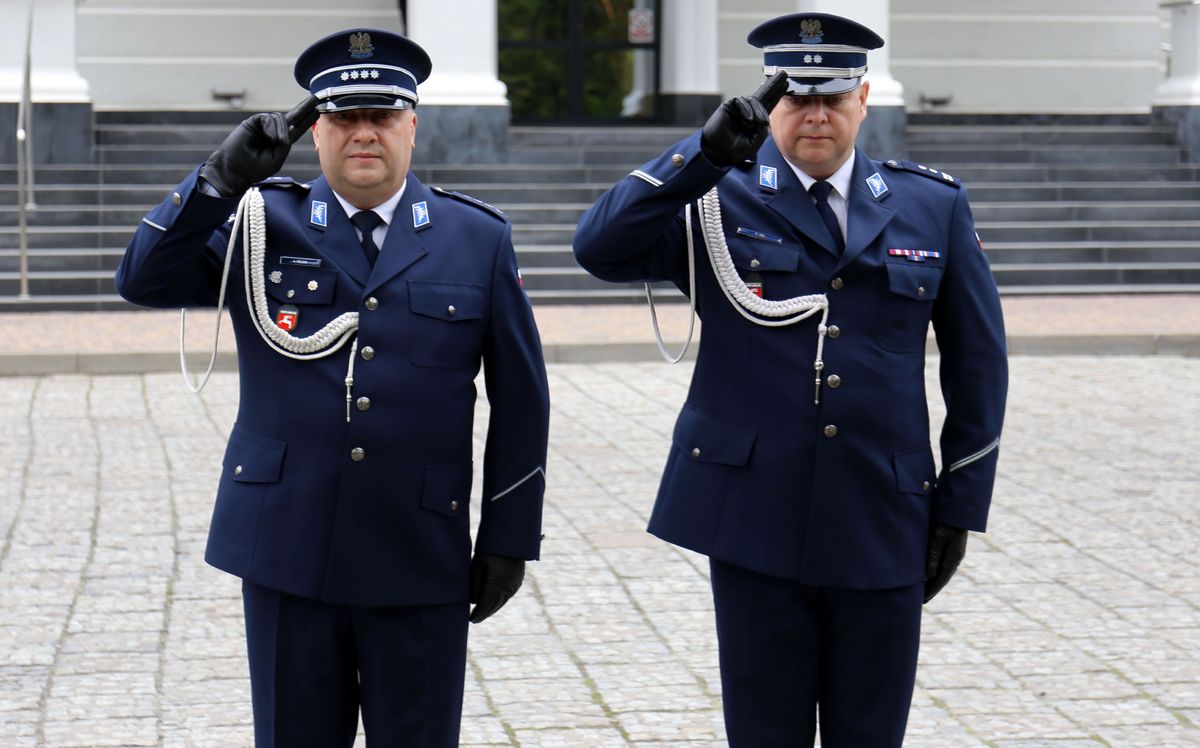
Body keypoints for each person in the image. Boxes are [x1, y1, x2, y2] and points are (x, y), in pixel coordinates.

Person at [573, 12, 1007, 747]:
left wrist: (960, 504)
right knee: (764, 731)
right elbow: (598, 247)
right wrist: (700, 155)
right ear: (770, 102)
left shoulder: (930, 206)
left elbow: (978, 362)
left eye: (832, 97)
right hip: (752, 515)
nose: (814, 115)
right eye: (796, 96)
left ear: (863, 100)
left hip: (882, 513)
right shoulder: (713, 198)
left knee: (869, 732)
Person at [116, 28, 549, 747]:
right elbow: (143, 279)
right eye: (345, 117)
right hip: (288, 544)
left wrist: (509, 535)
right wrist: (217, 182)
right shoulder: (259, 221)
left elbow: (522, 397)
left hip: (418, 550)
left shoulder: (476, 238)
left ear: (413, 124)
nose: (364, 134)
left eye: (381, 116)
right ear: (315, 130)